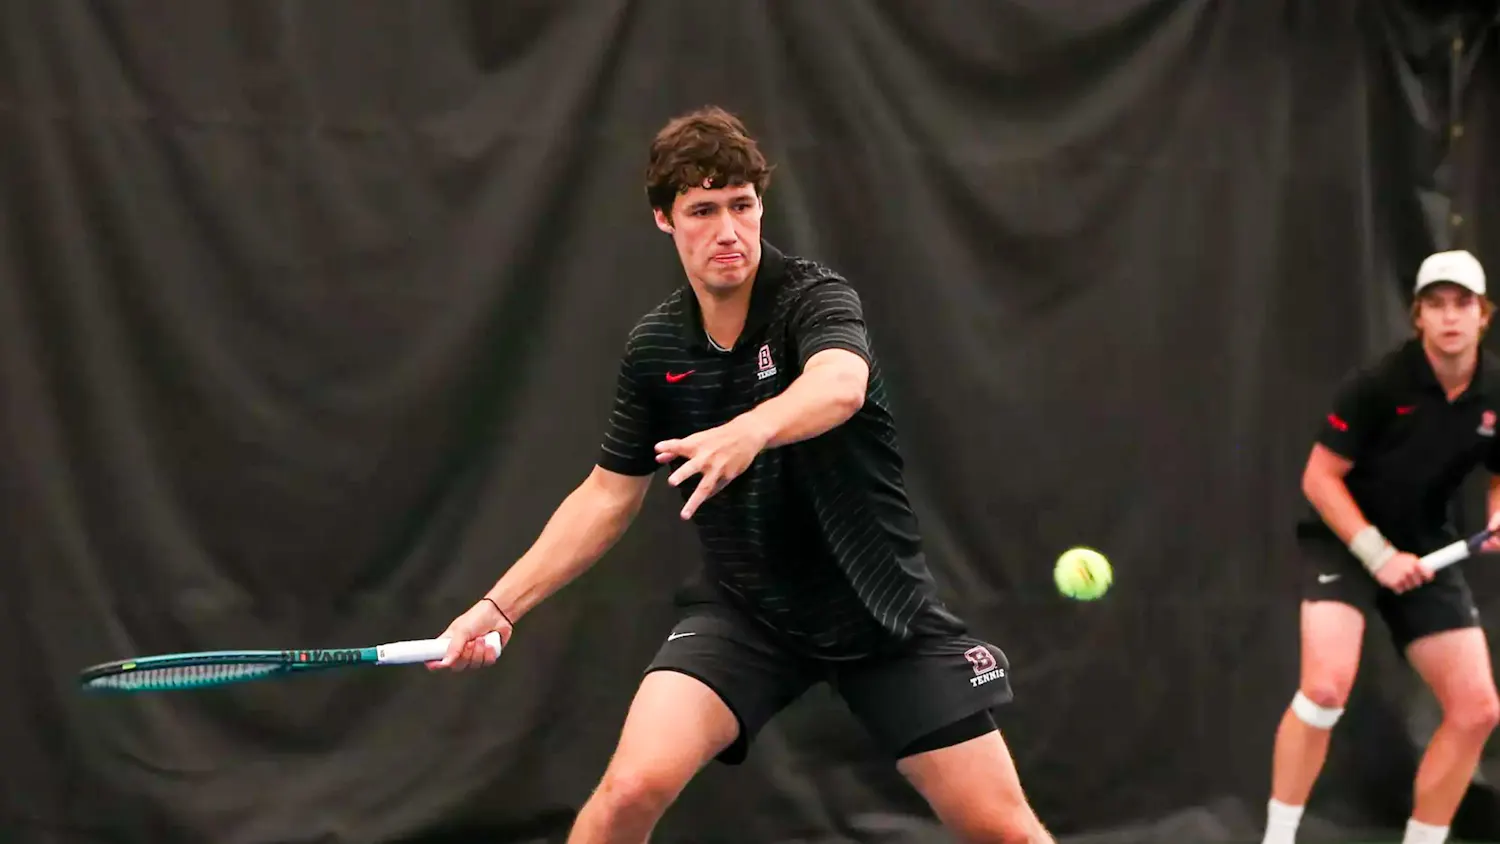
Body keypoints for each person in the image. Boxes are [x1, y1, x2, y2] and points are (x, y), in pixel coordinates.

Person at [427, 106, 1054, 844]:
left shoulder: (813, 298)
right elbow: (606, 495)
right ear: (665, 219)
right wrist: (500, 607)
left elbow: (840, 385)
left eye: (742, 205)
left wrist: (750, 429)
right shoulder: (656, 346)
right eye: (703, 210)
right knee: (628, 791)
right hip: (747, 613)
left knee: (1005, 832)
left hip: (878, 607)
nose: (728, 229)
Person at [1262, 249, 1500, 844]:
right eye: (1436, 305)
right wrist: (1377, 554)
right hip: (1343, 542)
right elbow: (1319, 478)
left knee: (1477, 710)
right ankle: (1277, 839)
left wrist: (1499, 514)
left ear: (1483, 315)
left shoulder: (1496, 390)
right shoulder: (1378, 385)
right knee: (1324, 690)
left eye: (1463, 304)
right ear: (1418, 317)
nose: (1450, 316)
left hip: (1427, 545)